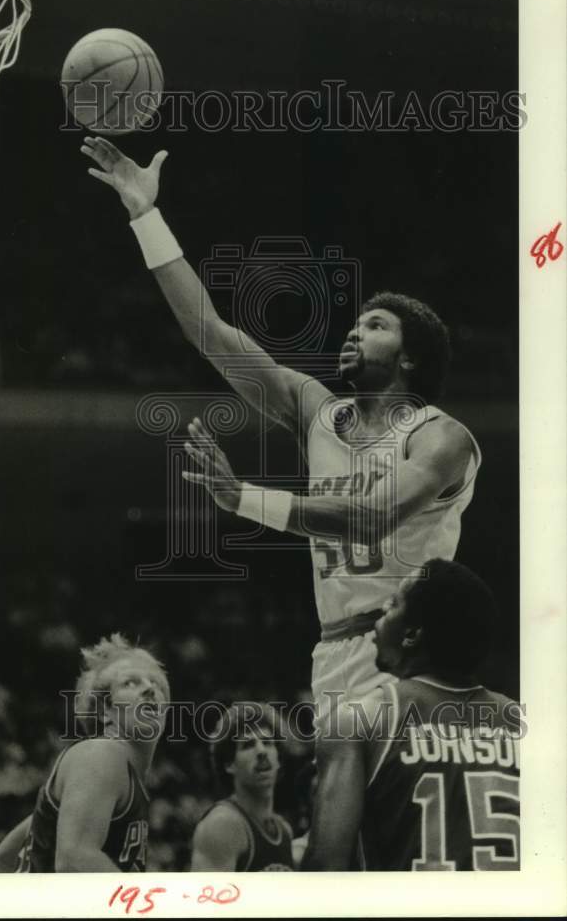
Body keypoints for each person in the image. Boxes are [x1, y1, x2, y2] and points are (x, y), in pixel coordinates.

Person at [81, 137, 481, 727]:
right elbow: (210, 333)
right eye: (355, 323)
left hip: (414, 648)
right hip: (335, 649)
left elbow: (370, 519)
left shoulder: (442, 439)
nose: (354, 333)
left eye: (375, 326)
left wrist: (244, 497)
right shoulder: (317, 412)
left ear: (411, 360)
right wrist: (146, 214)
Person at [304, 558, 521, 871]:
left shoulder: (359, 721)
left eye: (391, 605)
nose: (380, 614)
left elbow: (325, 866)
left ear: (411, 635)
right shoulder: (524, 724)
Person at [2, 633, 170, 872]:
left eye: (157, 684)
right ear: (103, 711)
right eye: (130, 683)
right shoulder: (101, 755)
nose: (149, 690)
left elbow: (4, 856)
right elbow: (73, 860)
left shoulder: (114, 775)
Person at [191, 702, 295, 871]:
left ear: (279, 759)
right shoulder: (222, 825)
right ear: (229, 764)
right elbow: (206, 896)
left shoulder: (284, 831)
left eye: (267, 742)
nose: (261, 751)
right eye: (248, 745)